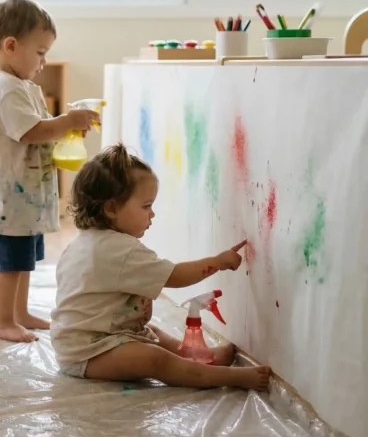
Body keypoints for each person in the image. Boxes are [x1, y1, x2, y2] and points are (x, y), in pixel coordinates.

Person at [50, 143, 272, 390]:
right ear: (112, 208)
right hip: (87, 353)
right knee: (154, 358)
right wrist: (218, 262)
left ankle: (199, 357)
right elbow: (174, 276)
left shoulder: (87, 241)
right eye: (146, 206)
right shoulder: (118, 250)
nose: (152, 214)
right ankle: (229, 378)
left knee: (152, 332)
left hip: (86, 341)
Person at [0, 0, 99, 343]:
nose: (44, 62)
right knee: (10, 265)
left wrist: (65, 127)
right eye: (40, 53)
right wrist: (66, 121)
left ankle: (19, 313)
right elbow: (31, 131)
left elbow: (39, 127)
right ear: (11, 46)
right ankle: (2, 321)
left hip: (22, 198)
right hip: (6, 199)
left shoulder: (19, 85)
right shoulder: (5, 89)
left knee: (23, 260)